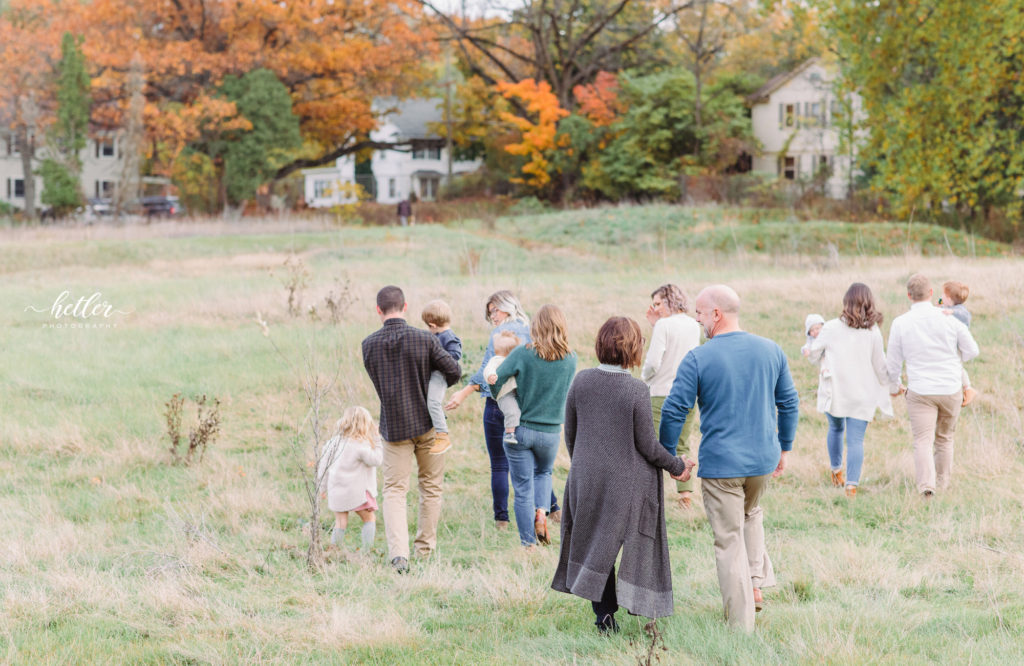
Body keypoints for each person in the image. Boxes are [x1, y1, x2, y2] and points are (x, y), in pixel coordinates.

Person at [659, 285, 799, 632]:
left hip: (722, 465)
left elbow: (674, 410)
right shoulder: (771, 349)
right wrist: (785, 448)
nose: (698, 320)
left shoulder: (698, 357)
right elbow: (790, 402)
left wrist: (667, 455)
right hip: (762, 462)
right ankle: (755, 582)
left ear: (716, 315)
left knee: (729, 540)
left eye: (700, 314)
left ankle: (741, 626)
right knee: (751, 513)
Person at [552, 317, 694, 634]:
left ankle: (604, 617)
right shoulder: (635, 389)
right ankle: (625, 606)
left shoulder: (581, 380)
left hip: (584, 478)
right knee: (617, 546)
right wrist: (676, 465)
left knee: (594, 545)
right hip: (621, 484)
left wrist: (584, 466)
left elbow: (571, 434)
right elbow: (647, 444)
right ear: (633, 349)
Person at [361, 286, 462, 573]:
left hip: (394, 427)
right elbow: (453, 370)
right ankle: (424, 550)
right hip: (428, 425)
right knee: (430, 487)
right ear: (405, 307)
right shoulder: (424, 339)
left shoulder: (368, 345)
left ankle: (399, 556)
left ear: (378, 310)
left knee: (394, 490)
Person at [445, 291, 560, 529]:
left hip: (498, 405)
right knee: (536, 465)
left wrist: (464, 392)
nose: (492, 317)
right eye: (490, 313)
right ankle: (552, 510)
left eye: (494, 310)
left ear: (507, 308)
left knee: (499, 464)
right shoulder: (532, 331)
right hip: (526, 406)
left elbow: (488, 372)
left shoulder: (499, 334)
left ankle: (502, 520)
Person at [886, 274, 979, 499]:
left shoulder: (900, 323)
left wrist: (895, 385)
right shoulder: (950, 319)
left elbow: (893, 362)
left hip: (920, 390)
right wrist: (956, 360)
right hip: (950, 388)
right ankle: (943, 483)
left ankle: (927, 487)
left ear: (909, 295)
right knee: (945, 438)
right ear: (930, 294)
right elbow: (973, 351)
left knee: (922, 440)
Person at [491, 304, 577, 548]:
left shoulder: (523, 353)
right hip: (550, 432)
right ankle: (542, 511)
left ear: (535, 327)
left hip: (521, 429)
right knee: (544, 473)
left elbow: (496, 379)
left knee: (522, 488)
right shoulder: (571, 359)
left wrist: (508, 398)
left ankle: (528, 544)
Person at [804, 284, 893, 498]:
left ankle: (836, 471)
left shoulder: (832, 327)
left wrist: (813, 348)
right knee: (856, 441)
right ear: (869, 303)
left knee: (835, 429)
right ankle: (851, 487)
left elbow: (814, 355)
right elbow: (880, 365)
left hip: (836, 391)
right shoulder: (873, 331)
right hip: (862, 393)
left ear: (846, 302)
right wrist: (892, 385)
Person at [641, 284, 701, 508]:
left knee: (654, 446)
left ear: (668, 301)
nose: (655, 309)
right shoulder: (694, 325)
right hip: (688, 392)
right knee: (682, 442)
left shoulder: (664, 325)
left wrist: (644, 378)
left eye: (657, 303)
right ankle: (685, 495)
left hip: (662, 392)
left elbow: (654, 362)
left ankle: (650, 497)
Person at [318, 406, 383, 554]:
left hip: (337, 490)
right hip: (357, 491)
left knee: (340, 522)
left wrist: (322, 488)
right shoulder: (360, 446)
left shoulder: (331, 443)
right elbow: (377, 460)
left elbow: (323, 467)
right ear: (365, 425)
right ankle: (367, 551)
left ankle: (334, 551)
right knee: (369, 518)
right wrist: (377, 439)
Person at [420, 299, 463, 455]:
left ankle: (442, 435)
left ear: (432, 325)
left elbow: (455, 355)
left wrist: (439, 359)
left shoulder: (448, 337)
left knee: (433, 401)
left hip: (440, 374)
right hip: (433, 373)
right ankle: (438, 419)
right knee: (430, 401)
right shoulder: (437, 335)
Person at [940, 280, 978, 406]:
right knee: (955, 366)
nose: (941, 297)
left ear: (949, 298)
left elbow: (966, 316)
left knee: (958, 367)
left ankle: (968, 388)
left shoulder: (959, 310)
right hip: (949, 344)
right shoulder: (947, 307)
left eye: (943, 296)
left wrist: (952, 312)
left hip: (957, 346)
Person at [483, 331, 523, 446]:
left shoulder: (514, 361)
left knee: (517, 410)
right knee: (512, 411)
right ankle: (509, 433)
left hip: (515, 392)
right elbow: (488, 369)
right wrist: (491, 376)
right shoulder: (497, 359)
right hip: (505, 393)